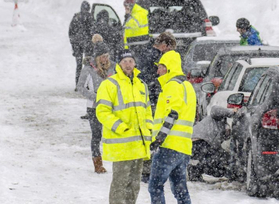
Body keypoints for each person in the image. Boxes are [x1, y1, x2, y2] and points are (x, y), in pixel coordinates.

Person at [96, 52, 153, 204]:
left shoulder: (141, 85)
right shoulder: (109, 84)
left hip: (139, 146)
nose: (128, 64)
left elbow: (147, 110)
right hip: (121, 146)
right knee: (120, 185)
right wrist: (121, 127)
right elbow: (102, 111)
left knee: (134, 186)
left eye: (131, 61)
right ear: (119, 64)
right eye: (125, 61)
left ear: (135, 64)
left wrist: (148, 129)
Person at [148, 33, 196, 204]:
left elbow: (173, 114)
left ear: (167, 68)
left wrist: (159, 139)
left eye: (160, 67)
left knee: (155, 186)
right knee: (180, 189)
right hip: (183, 147)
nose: (157, 70)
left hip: (168, 146)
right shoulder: (188, 86)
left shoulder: (172, 86)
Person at [77, 41, 115, 173]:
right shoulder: (88, 69)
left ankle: (118, 161)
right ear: (97, 57)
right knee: (96, 135)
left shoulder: (114, 67)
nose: (105, 59)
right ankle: (97, 163)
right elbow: (80, 87)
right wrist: (95, 97)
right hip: (94, 107)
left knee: (114, 133)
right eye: (102, 56)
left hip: (112, 106)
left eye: (107, 56)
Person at [189, 105, 236, 181]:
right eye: (227, 131)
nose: (227, 133)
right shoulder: (218, 118)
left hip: (201, 141)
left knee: (213, 160)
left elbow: (215, 146)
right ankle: (194, 171)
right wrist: (231, 112)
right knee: (211, 162)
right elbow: (214, 109)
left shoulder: (220, 129)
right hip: (198, 140)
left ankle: (195, 172)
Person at [69, 1, 94, 89]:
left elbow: (70, 32)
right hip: (87, 44)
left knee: (79, 65)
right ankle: (85, 84)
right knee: (86, 65)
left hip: (77, 44)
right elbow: (92, 31)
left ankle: (78, 85)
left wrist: (73, 44)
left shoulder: (76, 16)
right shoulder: (90, 17)